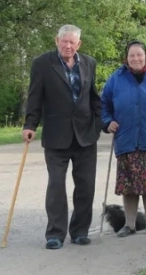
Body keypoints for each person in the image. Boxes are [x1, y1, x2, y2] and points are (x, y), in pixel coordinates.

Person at [22, 24, 103, 249]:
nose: (68, 46)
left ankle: (79, 231)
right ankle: (55, 234)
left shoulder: (89, 63)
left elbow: (93, 96)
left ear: (79, 44)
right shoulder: (42, 63)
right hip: (56, 136)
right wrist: (30, 125)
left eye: (72, 42)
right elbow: (34, 97)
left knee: (86, 186)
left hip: (86, 135)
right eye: (64, 41)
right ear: (56, 41)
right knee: (56, 186)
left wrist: (99, 122)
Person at [101, 40, 146, 237]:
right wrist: (107, 121)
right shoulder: (116, 78)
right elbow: (103, 104)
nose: (136, 58)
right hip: (127, 138)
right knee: (129, 185)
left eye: (139, 54)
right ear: (126, 58)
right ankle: (129, 225)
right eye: (131, 55)